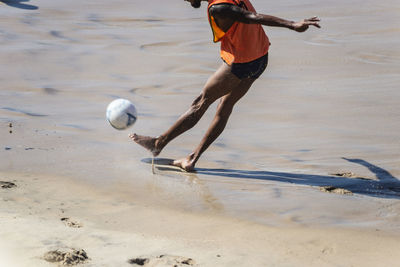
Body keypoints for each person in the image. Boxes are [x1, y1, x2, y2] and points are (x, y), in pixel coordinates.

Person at [130, 0, 320, 172]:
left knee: (200, 103)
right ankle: (191, 159)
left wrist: (292, 25)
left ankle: (158, 143)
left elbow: (251, 17)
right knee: (224, 107)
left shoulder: (218, 7)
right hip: (261, 58)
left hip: (241, 64)